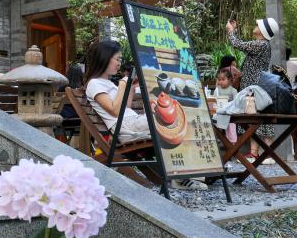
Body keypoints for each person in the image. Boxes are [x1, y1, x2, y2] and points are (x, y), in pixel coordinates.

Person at [84, 40, 206, 191]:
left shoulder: (106, 82)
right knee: (172, 122)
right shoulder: (94, 84)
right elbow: (115, 111)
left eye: (120, 59)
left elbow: (125, 107)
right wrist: (123, 84)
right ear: (104, 58)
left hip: (130, 121)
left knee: (178, 122)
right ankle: (183, 178)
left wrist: (129, 87)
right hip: (126, 126)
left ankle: (189, 174)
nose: (119, 63)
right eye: (117, 59)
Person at [226, 16, 278, 162]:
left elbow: (237, 44)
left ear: (262, 31)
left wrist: (230, 31)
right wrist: (234, 31)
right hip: (255, 87)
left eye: (258, 25)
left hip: (255, 87)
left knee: (256, 119)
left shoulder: (261, 45)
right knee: (255, 119)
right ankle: (258, 153)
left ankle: (265, 154)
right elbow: (243, 44)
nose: (255, 26)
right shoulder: (262, 45)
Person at [214, 65, 241, 144]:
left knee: (231, 124)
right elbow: (215, 100)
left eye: (223, 79)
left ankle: (232, 141)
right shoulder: (217, 90)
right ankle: (219, 138)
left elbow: (236, 102)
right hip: (219, 111)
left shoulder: (233, 90)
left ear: (229, 80)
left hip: (230, 112)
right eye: (219, 80)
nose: (221, 82)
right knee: (214, 119)